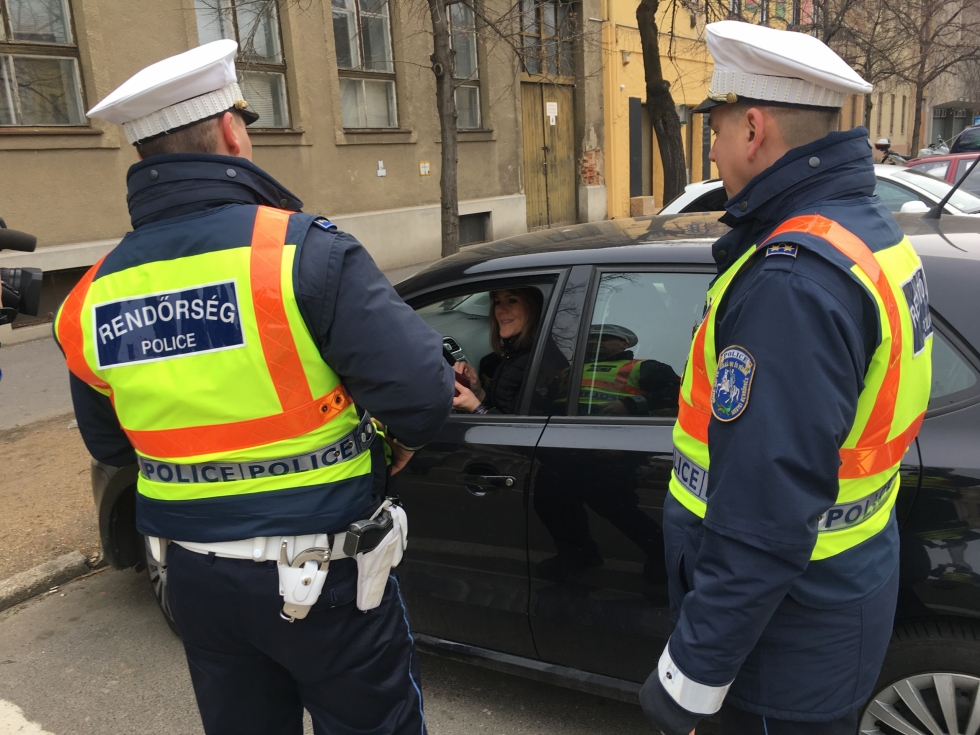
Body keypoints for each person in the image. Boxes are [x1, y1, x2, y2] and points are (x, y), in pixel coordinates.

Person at [54, 41, 453, 735]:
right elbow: (421, 395)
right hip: (324, 578)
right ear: (232, 132)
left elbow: (110, 446)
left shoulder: (88, 299)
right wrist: (393, 439)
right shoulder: (302, 252)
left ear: (143, 155)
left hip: (196, 583)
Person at [639, 21, 933, 735]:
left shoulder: (792, 282)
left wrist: (688, 682)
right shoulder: (866, 233)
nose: (711, 149)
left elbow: (763, 519)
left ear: (753, 129)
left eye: (715, 129)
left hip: (781, 647)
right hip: (833, 603)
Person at [453, 287, 543, 414]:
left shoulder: (540, 360)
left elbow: (519, 425)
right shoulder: (514, 353)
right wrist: (478, 392)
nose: (500, 309)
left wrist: (476, 408)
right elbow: (503, 404)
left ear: (533, 308)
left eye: (512, 300)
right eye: (497, 302)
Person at [577, 324, 679, 416]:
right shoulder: (574, 367)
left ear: (624, 345)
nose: (592, 342)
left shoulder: (644, 367)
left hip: (620, 425)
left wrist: (629, 405)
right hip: (571, 424)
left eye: (603, 339)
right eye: (589, 339)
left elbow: (676, 392)